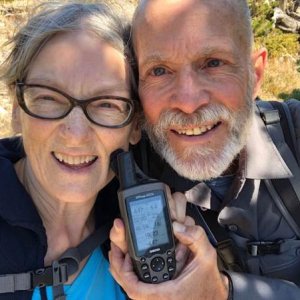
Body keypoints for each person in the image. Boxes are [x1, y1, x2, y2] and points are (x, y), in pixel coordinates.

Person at [109, 0, 300, 299]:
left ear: (255, 75)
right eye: (159, 70)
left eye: (213, 63)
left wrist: (221, 292)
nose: (188, 101)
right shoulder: (112, 171)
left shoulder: (295, 137)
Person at [0, 2, 143, 299]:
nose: (76, 134)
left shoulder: (142, 236)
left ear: (135, 126)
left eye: (107, 104)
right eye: (49, 98)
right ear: (16, 108)